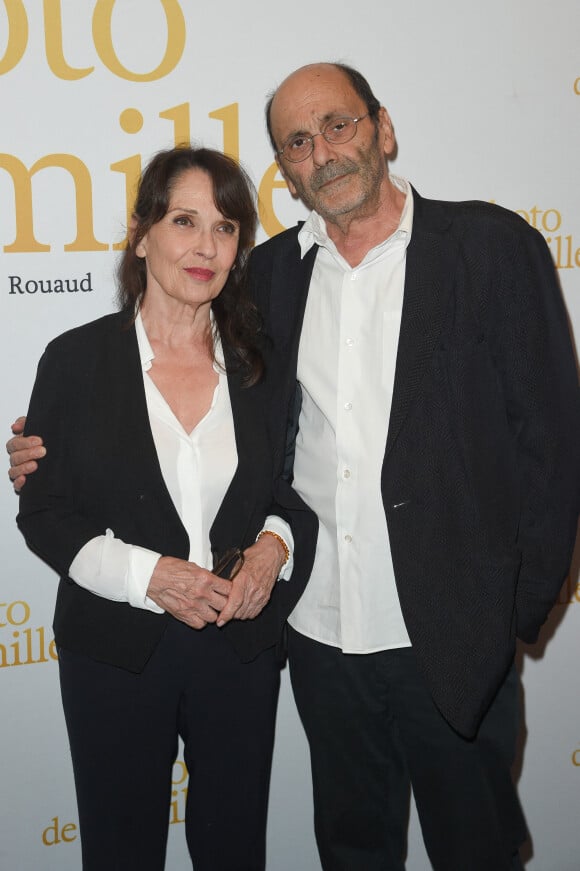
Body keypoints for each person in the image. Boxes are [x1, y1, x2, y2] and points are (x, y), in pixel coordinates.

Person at [8, 63, 580, 871]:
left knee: (477, 849)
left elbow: (553, 445)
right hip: (316, 637)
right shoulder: (274, 279)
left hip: (450, 639)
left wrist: (511, 615)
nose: (323, 152)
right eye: (298, 142)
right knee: (350, 850)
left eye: (338, 126)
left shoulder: (489, 248)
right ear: (287, 168)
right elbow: (278, 462)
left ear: (382, 128)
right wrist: (44, 450)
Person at [9, 145, 316, 871]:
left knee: (234, 848)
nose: (207, 245)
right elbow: (44, 510)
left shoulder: (261, 363)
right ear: (143, 234)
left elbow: (294, 489)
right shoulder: (74, 360)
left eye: (226, 226)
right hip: (115, 648)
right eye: (185, 220)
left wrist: (274, 547)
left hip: (238, 648)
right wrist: (149, 576)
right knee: (120, 851)